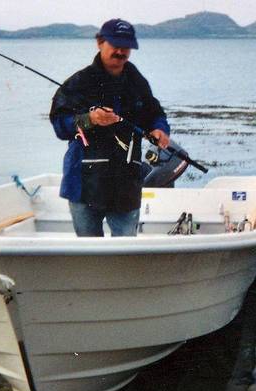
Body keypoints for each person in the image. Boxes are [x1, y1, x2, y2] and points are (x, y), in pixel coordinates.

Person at [49, 18, 170, 237]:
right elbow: (60, 125)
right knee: (89, 252)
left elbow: (155, 114)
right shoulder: (78, 82)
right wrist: (90, 119)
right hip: (83, 186)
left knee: (126, 250)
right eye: (115, 44)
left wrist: (159, 129)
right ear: (99, 42)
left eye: (126, 47)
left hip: (126, 185)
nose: (121, 51)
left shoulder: (137, 82)